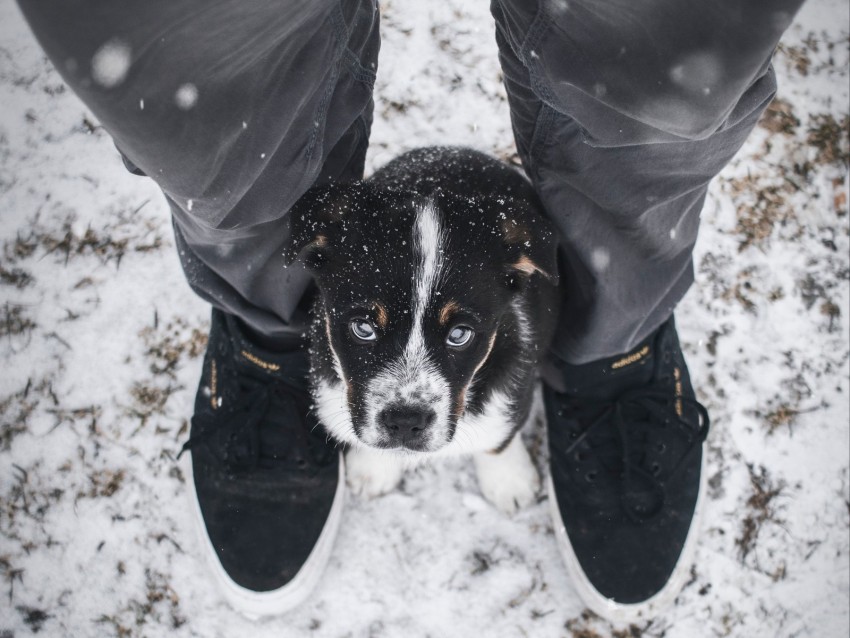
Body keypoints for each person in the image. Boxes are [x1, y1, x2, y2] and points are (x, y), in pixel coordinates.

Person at [17, 0, 805, 622]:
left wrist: (498, 444)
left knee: (659, 67)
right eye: (364, 326)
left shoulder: (507, 295)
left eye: (459, 330)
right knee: (207, 97)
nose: (409, 395)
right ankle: (270, 330)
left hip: (496, 244)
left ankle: (615, 332)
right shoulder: (345, 264)